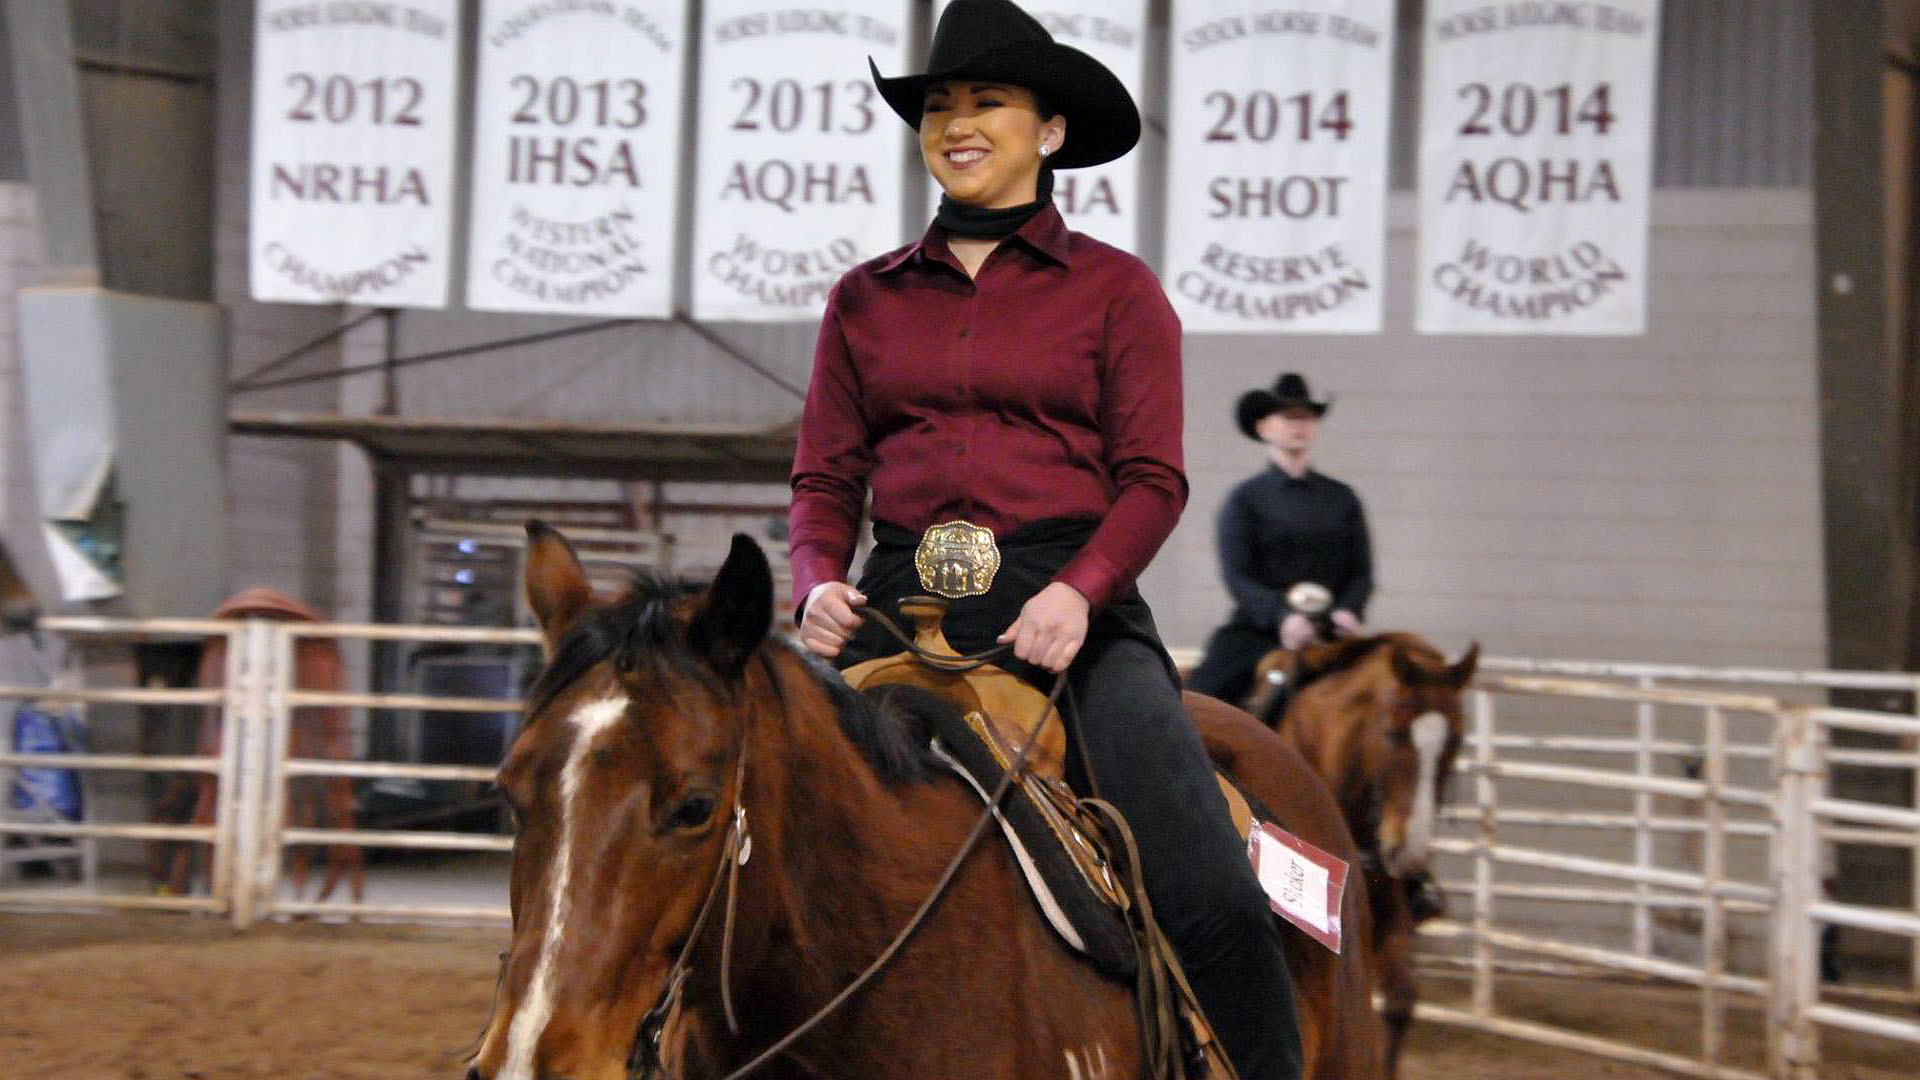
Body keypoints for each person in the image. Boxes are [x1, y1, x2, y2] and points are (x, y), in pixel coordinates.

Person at [787, 2, 1301, 1076]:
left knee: (1207, 890)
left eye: (986, 102)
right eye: (938, 107)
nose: (955, 124)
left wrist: (1079, 592)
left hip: (1068, 610)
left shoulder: (1119, 292)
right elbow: (827, 474)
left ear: (1050, 131)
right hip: (893, 606)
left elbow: (1152, 479)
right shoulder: (861, 299)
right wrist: (813, 581)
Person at [1188, 373, 1374, 710]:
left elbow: (1361, 571)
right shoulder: (1246, 499)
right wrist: (1282, 617)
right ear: (1264, 428)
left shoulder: (1343, 498)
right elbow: (1237, 576)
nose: (1299, 425)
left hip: (1331, 628)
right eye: (1288, 417)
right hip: (1262, 629)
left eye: (1306, 416)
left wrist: (1349, 610)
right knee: (1204, 697)